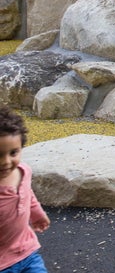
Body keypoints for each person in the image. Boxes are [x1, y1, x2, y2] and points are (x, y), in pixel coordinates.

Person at [0, 106, 50, 273]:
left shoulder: (23, 171)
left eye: (13, 152)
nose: (6, 162)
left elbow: (27, 194)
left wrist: (37, 214)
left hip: (26, 251)